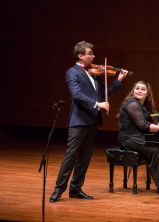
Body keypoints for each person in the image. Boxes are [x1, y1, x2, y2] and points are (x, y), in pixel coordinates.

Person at [50, 41, 128, 202]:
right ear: (81, 56)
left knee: (85, 157)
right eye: (90, 53)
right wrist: (97, 104)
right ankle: (58, 190)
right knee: (71, 156)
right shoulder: (72, 72)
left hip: (92, 121)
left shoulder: (95, 74)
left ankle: (76, 189)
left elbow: (102, 94)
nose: (93, 56)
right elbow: (77, 95)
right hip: (79, 121)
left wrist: (118, 81)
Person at [117, 81, 159, 194]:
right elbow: (142, 125)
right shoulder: (132, 104)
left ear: (147, 93)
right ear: (133, 91)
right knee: (156, 149)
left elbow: (151, 119)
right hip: (128, 139)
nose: (139, 90)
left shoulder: (143, 106)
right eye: (137, 88)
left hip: (138, 137)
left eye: (143, 89)